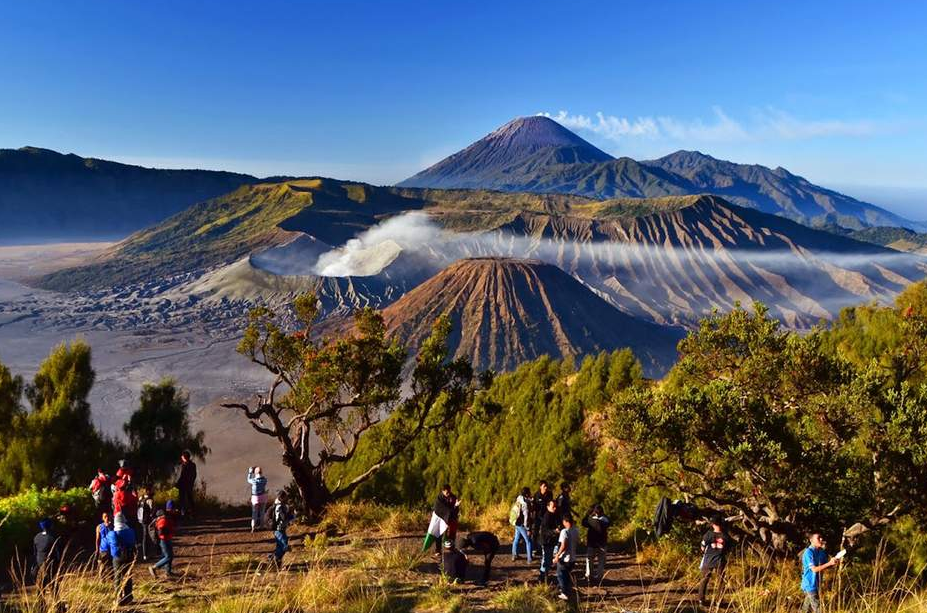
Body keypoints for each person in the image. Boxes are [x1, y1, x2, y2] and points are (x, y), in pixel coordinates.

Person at [801, 532, 841, 613]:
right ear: (811, 540)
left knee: (805, 609)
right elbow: (814, 569)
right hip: (809, 584)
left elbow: (825, 566)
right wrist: (829, 563)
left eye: (821, 537)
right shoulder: (808, 552)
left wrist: (833, 562)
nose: (821, 539)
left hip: (817, 584)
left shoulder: (822, 552)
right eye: (818, 538)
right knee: (818, 609)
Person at [698, 515, 731, 607]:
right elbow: (728, 549)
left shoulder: (708, 535)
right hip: (720, 560)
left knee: (704, 580)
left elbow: (702, 547)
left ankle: (701, 600)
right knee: (721, 581)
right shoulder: (725, 536)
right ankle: (719, 601)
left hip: (708, 560)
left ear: (712, 524)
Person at [106, 512, 137, 606]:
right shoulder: (130, 531)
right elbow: (133, 542)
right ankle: (128, 597)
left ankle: (118, 597)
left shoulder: (113, 532)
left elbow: (108, 543)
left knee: (117, 577)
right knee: (128, 576)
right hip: (129, 555)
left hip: (117, 557)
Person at [582, 504, 610, 582]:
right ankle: (599, 577)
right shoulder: (606, 520)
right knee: (601, 561)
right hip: (602, 544)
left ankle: (589, 576)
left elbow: (583, 522)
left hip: (592, 543)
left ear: (595, 513)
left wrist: (588, 514)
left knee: (590, 560)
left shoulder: (591, 520)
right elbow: (609, 521)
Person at [555, 515, 579, 601]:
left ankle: (564, 592)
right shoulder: (576, 530)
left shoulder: (564, 531)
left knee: (560, 575)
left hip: (565, 558)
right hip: (573, 558)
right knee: (567, 575)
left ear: (566, 522)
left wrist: (557, 555)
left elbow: (563, 545)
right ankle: (567, 590)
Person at [149, 501, 176, 578]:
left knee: (169, 555)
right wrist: (168, 531)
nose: (175, 511)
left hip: (167, 539)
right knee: (168, 556)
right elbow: (161, 531)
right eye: (174, 509)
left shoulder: (167, 516)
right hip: (164, 540)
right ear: (170, 509)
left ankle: (168, 572)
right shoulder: (164, 519)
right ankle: (154, 567)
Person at [32, 518, 61, 588]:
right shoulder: (53, 537)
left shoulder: (37, 537)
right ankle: (56, 597)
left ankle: (40, 598)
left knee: (41, 582)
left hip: (39, 563)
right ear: (50, 525)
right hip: (51, 562)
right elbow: (58, 552)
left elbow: (34, 552)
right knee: (53, 581)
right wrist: (59, 564)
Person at [432, 485, 461, 555]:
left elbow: (455, 510)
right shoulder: (439, 498)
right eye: (447, 492)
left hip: (452, 518)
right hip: (441, 518)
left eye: (449, 491)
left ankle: (451, 548)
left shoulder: (453, 497)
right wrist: (453, 508)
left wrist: (456, 506)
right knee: (439, 534)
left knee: (452, 533)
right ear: (443, 491)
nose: (448, 494)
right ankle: (438, 550)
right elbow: (438, 509)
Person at [269, 491, 294, 566]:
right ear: (282, 498)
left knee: (280, 545)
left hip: (279, 529)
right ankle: (273, 557)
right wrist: (291, 515)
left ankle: (277, 561)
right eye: (285, 497)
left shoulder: (279, 505)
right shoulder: (280, 507)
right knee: (283, 545)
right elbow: (282, 518)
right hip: (279, 529)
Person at [539, 498, 561, 582]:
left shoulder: (555, 514)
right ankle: (542, 576)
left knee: (548, 559)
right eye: (553, 507)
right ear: (548, 507)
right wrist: (554, 531)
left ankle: (545, 576)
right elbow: (545, 531)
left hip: (551, 541)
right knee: (546, 559)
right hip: (546, 541)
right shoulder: (547, 516)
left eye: (555, 506)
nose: (555, 508)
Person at [511, 487, 533, 563]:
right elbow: (526, 518)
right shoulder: (525, 505)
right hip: (522, 524)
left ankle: (514, 555)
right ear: (527, 494)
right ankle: (529, 559)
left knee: (516, 538)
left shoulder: (519, 498)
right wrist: (527, 529)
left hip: (516, 522)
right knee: (528, 541)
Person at [531, 481, 553, 554]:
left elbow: (551, 504)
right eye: (544, 486)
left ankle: (544, 548)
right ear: (540, 487)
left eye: (546, 486)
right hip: (538, 517)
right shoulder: (536, 495)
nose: (546, 488)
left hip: (546, 516)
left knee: (545, 532)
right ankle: (534, 548)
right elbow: (533, 507)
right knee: (535, 533)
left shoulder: (549, 494)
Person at [176, 450, 197, 519]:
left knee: (182, 499)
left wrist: (178, 484)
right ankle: (192, 513)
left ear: (184, 457)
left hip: (184, 485)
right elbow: (194, 475)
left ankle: (184, 513)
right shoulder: (192, 465)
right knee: (189, 499)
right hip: (189, 485)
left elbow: (182, 476)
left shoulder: (184, 466)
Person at [248, 466, 268, 532]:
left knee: (254, 513)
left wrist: (250, 472)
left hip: (255, 498)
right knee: (262, 512)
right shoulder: (265, 480)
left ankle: (253, 527)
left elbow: (248, 479)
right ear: (261, 472)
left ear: (255, 473)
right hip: (263, 497)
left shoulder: (253, 481)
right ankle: (262, 526)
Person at [137, 487, 155, 561]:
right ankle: (146, 554)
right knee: (147, 537)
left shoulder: (140, 499)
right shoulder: (149, 500)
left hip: (140, 520)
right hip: (147, 521)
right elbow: (153, 510)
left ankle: (143, 554)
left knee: (143, 537)